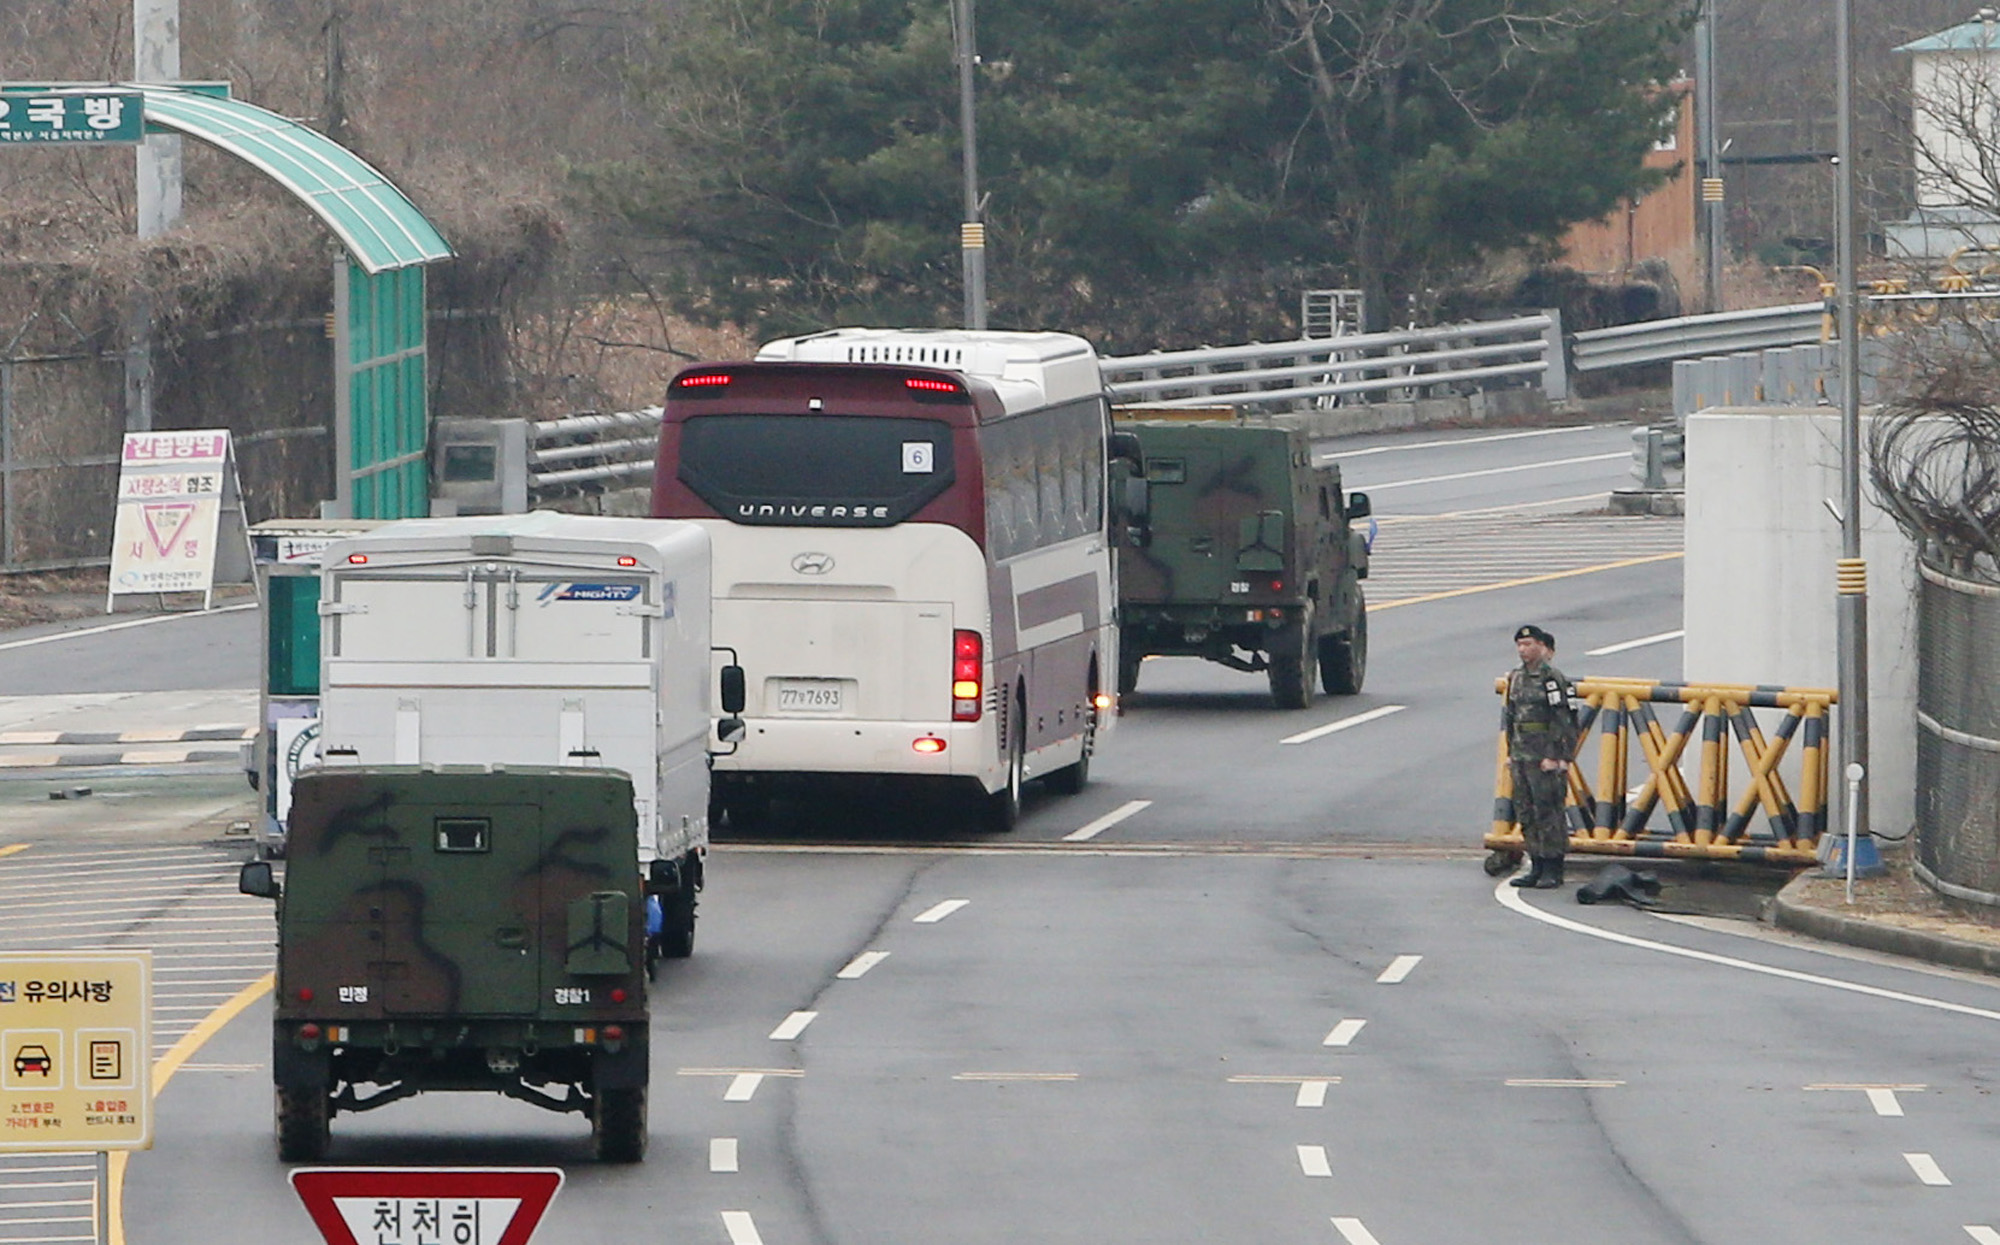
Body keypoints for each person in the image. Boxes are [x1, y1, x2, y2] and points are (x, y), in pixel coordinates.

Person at [1503, 624, 1580, 889]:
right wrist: (1511, 752)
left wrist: (1556, 754)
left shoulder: (1552, 678)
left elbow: (1564, 718)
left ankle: (1553, 866)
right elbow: (1511, 716)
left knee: (1549, 810)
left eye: (1529, 645)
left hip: (1544, 754)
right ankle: (1536, 863)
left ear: (1541, 647)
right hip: (1522, 753)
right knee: (1526, 810)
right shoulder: (1516, 677)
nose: (1524, 650)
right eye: (1520, 646)